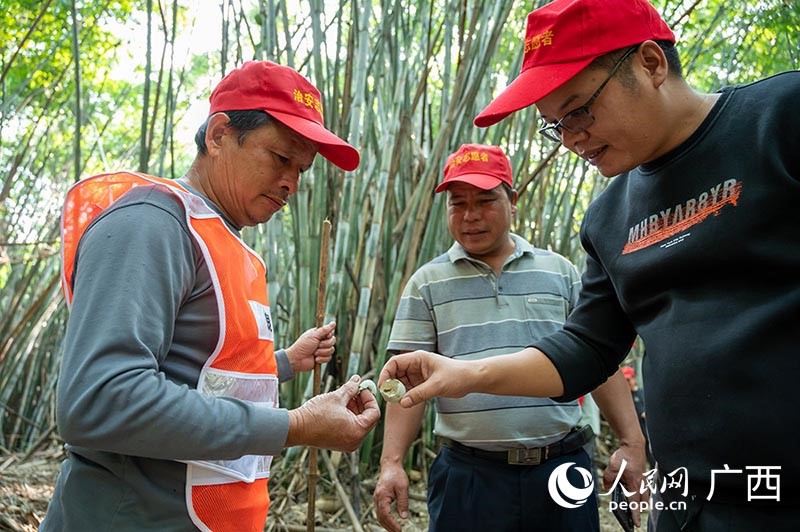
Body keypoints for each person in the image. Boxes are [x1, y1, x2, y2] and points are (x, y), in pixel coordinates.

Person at [379, 0, 800, 529]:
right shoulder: (609, 217)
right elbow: (588, 348)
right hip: (695, 503)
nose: (572, 138)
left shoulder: (780, 119)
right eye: (555, 125)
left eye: (579, 110)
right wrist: (463, 375)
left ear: (650, 63)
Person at [41, 60, 380, 532]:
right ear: (219, 135)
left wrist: (283, 362)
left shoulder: (223, 239)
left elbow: (200, 372)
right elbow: (101, 398)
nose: (292, 184)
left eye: (302, 170)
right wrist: (296, 426)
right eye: (281, 159)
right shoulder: (151, 224)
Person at [373, 144, 645, 532]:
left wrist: (632, 443)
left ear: (513, 200)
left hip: (560, 467)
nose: (470, 216)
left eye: (485, 201)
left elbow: (599, 361)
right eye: (458, 203)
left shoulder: (560, 272)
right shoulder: (426, 284)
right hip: (469, 475)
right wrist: (391, 464)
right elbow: (404, 383)